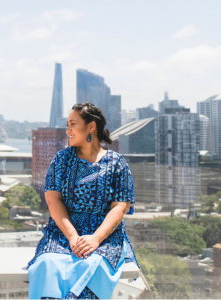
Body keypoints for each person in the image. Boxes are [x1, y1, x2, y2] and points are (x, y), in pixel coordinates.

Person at [27, 103, 139, 299]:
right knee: (47, 263)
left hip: (104, 236)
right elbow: (53, 201)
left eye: (73, 124)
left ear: (91, 127)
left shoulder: (117, 163)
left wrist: (96, 238)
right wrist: (72, 237)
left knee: (91, 264)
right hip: (63, 232)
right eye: (67, 124)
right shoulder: (61, 160)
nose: (67, 130)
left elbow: (120, 207)